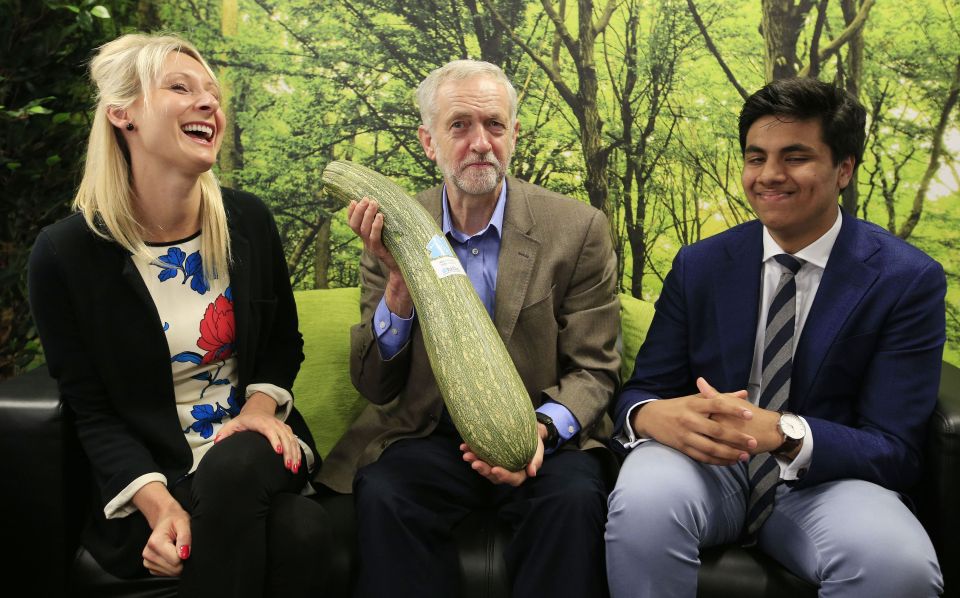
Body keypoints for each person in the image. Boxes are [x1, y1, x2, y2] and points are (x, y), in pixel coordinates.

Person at [605, 77, 945, 597]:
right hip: (706, 465)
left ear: (844, 170)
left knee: (898, 566)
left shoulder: (905, 280)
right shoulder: (700, 265)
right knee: (644, 500)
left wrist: (786, 433)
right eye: (756, 157)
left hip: (829, 482)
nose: (769, 176)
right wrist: (649, 413)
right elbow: (644, 388)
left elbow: (895, 448)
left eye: (795, 157)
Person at [28, 33, 331, 597]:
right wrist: (160, 505)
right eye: (180, 87)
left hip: (257, 450)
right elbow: (91, 410)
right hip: (156, 476)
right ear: (124, 115)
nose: (208, 103)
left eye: (212, 93)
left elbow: (280, 346)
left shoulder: (249, 222)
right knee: (304, 532)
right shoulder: (65, 254)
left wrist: (261, 411)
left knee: (238, 465)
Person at [316, 60, 620, 597]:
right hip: (430, 436)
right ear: (429, 141)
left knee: (573, 501)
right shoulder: (393, 229)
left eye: (494, 125)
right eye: (459, 125)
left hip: (541, 438)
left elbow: (595, 368)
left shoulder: (577, 229)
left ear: (513, 135)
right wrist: (397, 290)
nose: (480, 142)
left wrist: (539, 433)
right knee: (386, 491)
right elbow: (375, 386)